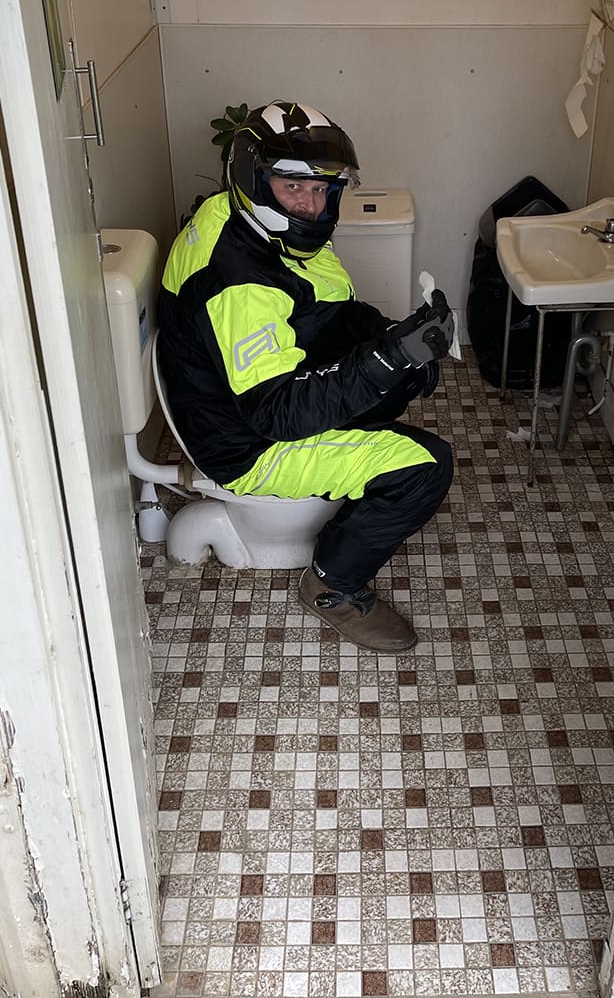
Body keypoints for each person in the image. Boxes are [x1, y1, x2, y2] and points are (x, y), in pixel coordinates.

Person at [157, 100, 455, 653]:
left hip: (235, 395)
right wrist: (388, 360)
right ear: (255, 180)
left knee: (393, 374)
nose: (311, 206)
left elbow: (325, 310)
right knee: (426, 467)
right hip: (250, 442)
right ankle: (332, 586)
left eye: (322, 190)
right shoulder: (241, 285)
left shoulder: (236, 218)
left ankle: (385, 396)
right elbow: (278, 412)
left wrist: (398, 347)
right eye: (293, 186)